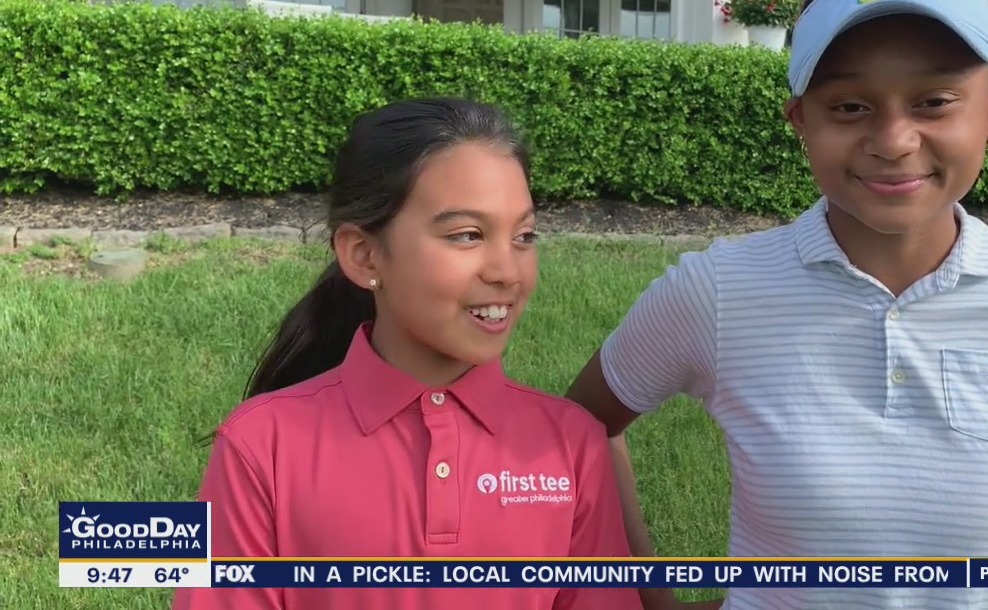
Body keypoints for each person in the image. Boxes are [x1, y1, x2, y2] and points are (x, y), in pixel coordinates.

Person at [566, 0, 988, 610]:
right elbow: (581, 429)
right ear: (801, 120)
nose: (894, 141)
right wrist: (651, 600)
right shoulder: (719, 290)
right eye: (849, 107)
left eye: (935, 101)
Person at [173, 98, 645, 610]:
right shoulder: (260, 446)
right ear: (364, 255)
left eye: (524, 236)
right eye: (467, 235)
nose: (507, 272)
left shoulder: (572, 447)